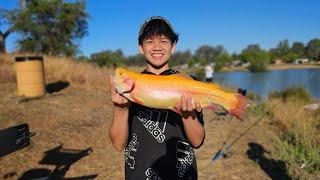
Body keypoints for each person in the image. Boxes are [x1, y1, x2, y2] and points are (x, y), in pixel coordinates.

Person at [108, 16, 205, 180]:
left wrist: (187, 115)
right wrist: (120, 109)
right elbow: (118, 144)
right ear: (140, 47)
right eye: (149, 41)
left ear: (173, 46)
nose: (157, 47)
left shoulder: (188, 82)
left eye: (164, 41)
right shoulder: (131, 84)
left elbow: (197, 141)